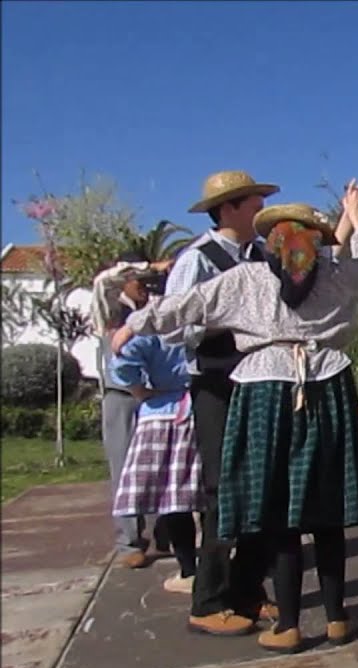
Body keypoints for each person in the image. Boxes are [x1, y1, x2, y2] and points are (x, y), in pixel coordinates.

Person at [115, 183, 358, 653]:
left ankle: (291, 625)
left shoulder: (245, 280)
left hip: (266, 391)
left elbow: (183, 308)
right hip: (329, 385)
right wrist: (357, 219)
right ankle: (338, 618)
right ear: (313, 239)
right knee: (325, 508)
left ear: (271, 240)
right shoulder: (339, 276)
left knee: (279, 509)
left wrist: (132, 324)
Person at [167, 170, 279, 635]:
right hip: (215, 385)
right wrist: (225, 320)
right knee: (222, 488)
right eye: (254, 202)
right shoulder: (197, 260)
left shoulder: (260, 256)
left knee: (264, 487)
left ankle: (248, 590)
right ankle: (208, 600)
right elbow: (175, 327)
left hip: (256, 381)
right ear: (230, 207)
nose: (261, 210)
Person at [109, 278, 201, 594]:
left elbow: (122, 361)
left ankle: (189, 571)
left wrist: (139, 391)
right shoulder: (201, 317)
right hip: (203, 406)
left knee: (172, 498)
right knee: (206, 493)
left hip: (160, 413)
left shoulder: (153, 326)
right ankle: (220, 565)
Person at [90, 252, 176, 569]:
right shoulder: (108, 306)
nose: (145, 286)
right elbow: (103, 282)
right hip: (121, 396)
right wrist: (147, 268)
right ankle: (129, 542)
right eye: (139, 280)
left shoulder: (155, 305)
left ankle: (168, 533)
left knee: (165, 467)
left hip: (156, 396)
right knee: (124, 467)